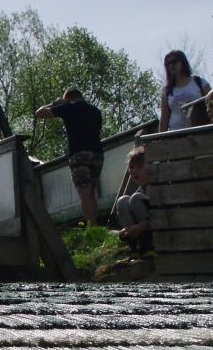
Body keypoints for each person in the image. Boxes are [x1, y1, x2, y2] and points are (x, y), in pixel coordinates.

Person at [34, 88, 102, 225]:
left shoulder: (68, 108)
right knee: (92, 193)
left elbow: (39, 113)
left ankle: (92, 227)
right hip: (97, 154)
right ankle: (97, 225)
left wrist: (55, 103)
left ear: (68, 99)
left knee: (84, 193)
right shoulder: (95, 111)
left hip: (78, 155)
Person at [157, 50, 210, 132]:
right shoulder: (166, 91)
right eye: (168, 64)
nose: (171, 65)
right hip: (175, 132)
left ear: (183, 62)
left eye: (174, 62)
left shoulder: (199, 82)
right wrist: (160, 137)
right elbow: (164, 117)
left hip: (201, 130)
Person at [114, 147, 152, 254]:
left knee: (135, 198)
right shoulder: (140, 190)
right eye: (131, 167)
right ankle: (135, 247)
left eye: (140, 166)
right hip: (142, 231)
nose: (135, 170)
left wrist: (142, 226)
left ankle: (149, 246)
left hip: (160, 233)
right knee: (122, 200)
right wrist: (126, 231)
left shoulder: (158, 188)